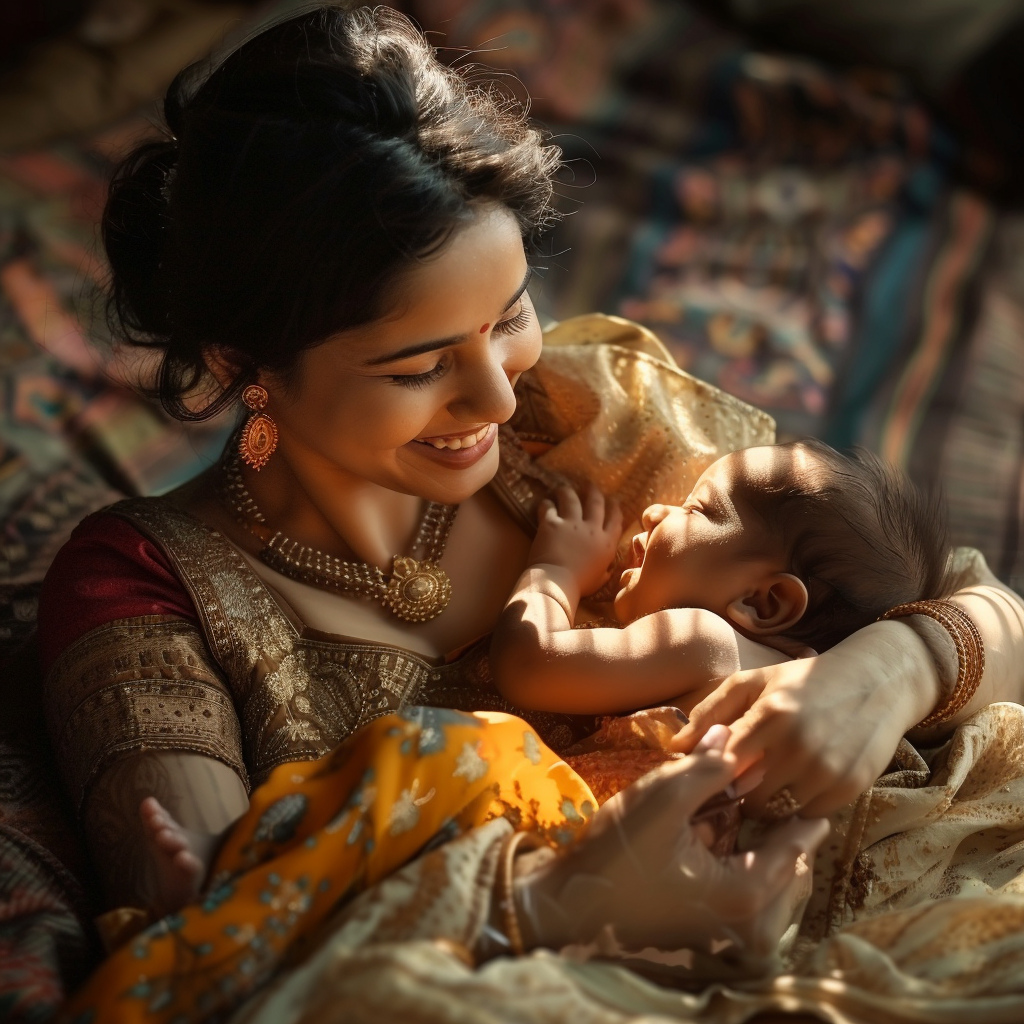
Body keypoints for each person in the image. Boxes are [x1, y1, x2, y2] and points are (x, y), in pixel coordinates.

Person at [33, 4, 1024, 1022]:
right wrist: (554, 904)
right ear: (247, 367)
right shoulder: (149, 586)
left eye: (508, 316)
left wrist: (886, 672)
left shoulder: (582, 411)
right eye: (419, 367)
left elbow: (985, 605)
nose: (498, 400)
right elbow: (215, 955)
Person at [491, 439, 951, 716]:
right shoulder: (781, 672)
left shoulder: (706, 642)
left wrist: (556, 568)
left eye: (697, 508)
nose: (654, 511)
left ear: (763, 603)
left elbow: (528, 665)